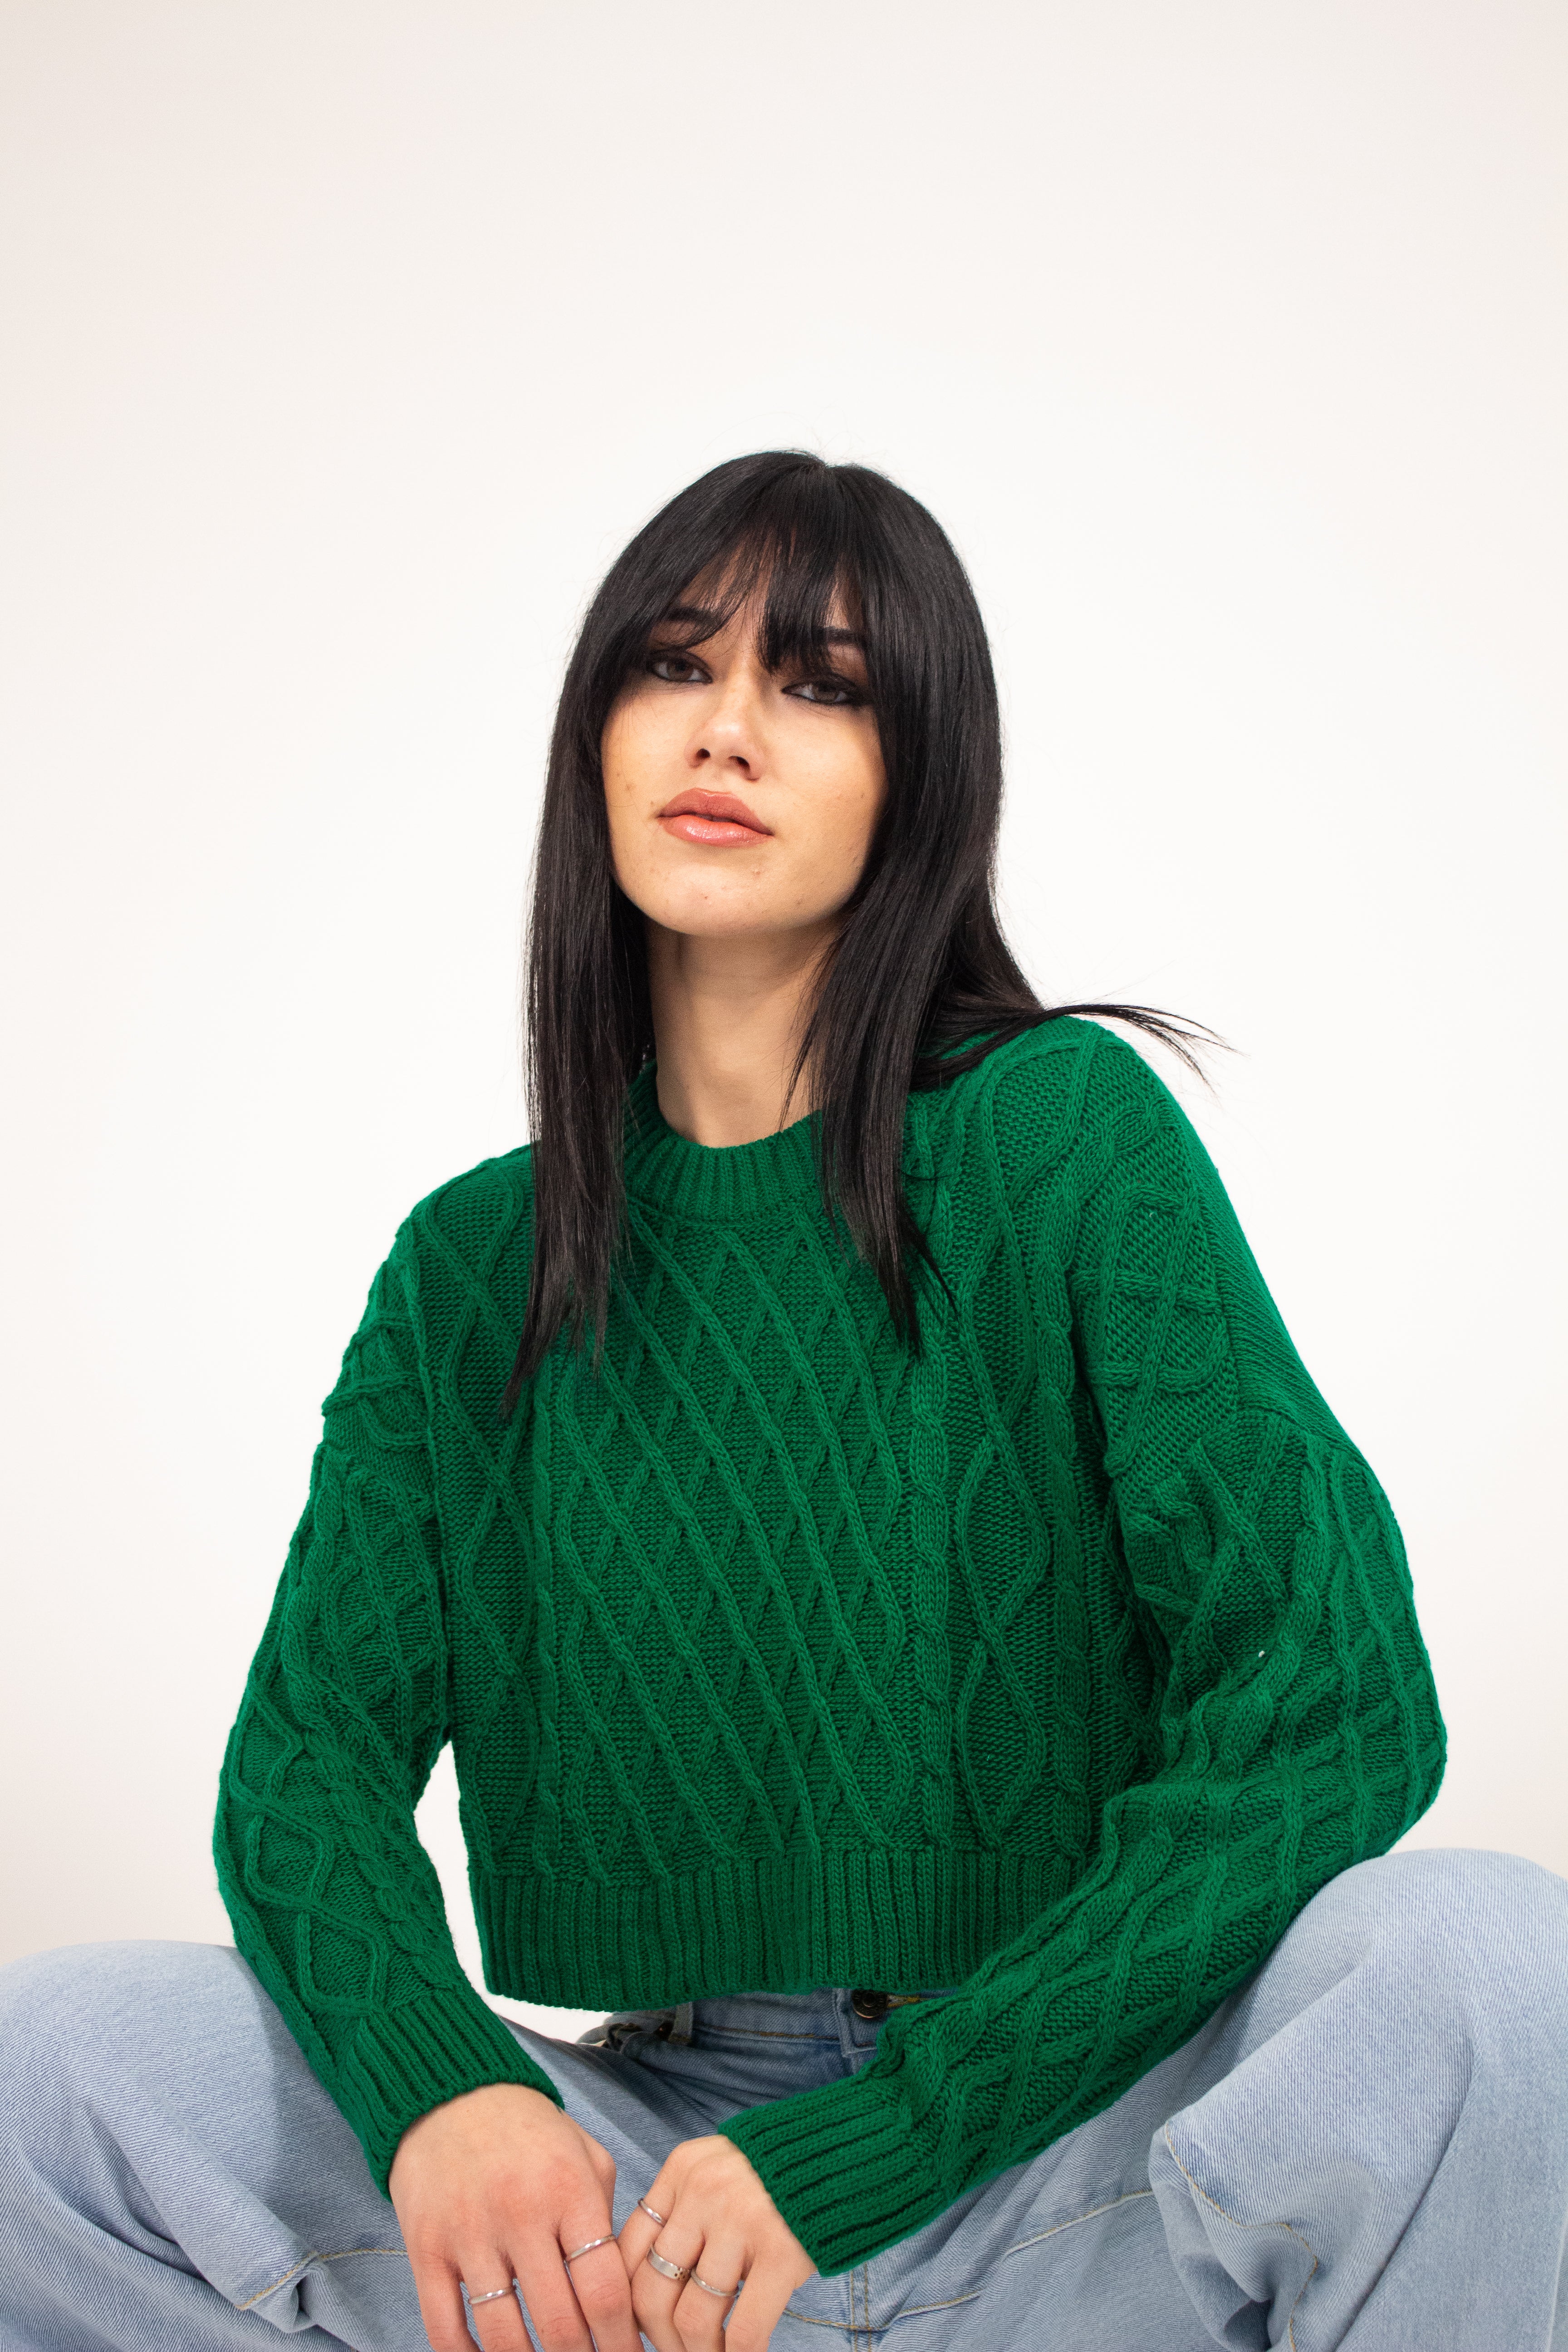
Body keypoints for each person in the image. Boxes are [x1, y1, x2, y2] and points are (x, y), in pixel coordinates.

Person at [3, 451, 1567, 2352]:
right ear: (597, 737)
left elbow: (1332, 1705)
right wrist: (444, 2090)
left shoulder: (1061, 1139)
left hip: (1071, 2137)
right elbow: (307, 1769)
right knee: (51, 2066)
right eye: (675, 664)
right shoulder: (472, 1267)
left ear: (922, 781)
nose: (727, 727)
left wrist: (899, 2132)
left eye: (821, 685)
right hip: (654, 2192)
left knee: (1489, 1961)